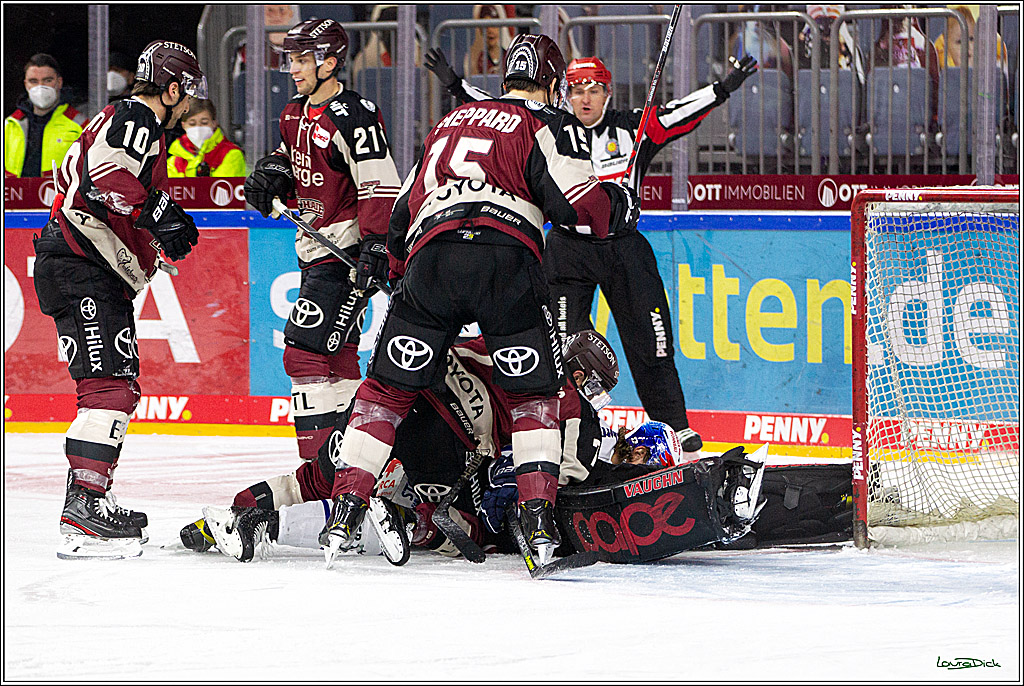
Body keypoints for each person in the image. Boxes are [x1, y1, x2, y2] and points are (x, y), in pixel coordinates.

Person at [320, 33, 640, 566]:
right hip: (504, 261)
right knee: (533, 397)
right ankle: (537, 521)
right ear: (555, 84)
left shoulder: (450, 121)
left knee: (385, 392)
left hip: (432, 259)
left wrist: (399, 274)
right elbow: (578, 206)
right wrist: (619, 205)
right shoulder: (546, 125)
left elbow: (402, 212)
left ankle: (347, 509)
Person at [424, 48, 757, 458]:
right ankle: (570, 422)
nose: (585, 98)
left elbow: (677, 113)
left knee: (652, 343)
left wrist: (723, 89)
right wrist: (457, 86)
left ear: (608, 94)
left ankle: (674, 426)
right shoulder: (550, 128)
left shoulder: (633, 127)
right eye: (577, 89)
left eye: (594, 90)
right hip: (568, 248)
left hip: (623, 248)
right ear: (564, 92)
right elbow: (499, 111)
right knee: (563, 343)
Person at [188, 329, 625, 562]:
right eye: (598, 387)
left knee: (319, 477)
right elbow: (565, 478)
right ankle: (405, 517)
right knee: (454, 525)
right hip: (449, 438)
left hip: (391, 398)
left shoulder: (513, 334)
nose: (596, 397)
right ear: (583, 375)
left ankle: (237, 512)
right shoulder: (574, 406)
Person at [33, 41, 205, 559]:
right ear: (171, 89)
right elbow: (105, 177)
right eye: (187, 93)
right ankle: (84, 505)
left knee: (117, 387)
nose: (189, 107)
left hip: (84, 266)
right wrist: (160, 213)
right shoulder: (137, 117)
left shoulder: (120, 118)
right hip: (81, 266)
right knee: (108, 387)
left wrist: (155, 230)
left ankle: (89, 499)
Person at [243, 19, 402, 479]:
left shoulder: (356, 115)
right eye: (289, 59)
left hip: (347, 252)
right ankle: (356, 459)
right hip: (312, 248)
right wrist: (272, 172)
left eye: (300, 59)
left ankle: (319, 469)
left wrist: (376, 246)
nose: (292, 68)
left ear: (329, 62)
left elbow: (378, 183)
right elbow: (294, 159)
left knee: (304, 349)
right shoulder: (293, 112)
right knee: (337, 354)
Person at [4, 53, 86, 178]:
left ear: (59, 82)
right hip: (17, 195)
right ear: (26, 84)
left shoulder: (79, 124)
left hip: (59, 195)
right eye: (33, 81)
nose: (40, 87)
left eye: (47, 80)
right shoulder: (11, 125)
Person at [166, 99, 246, 177]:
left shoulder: (231, 154)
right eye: (192, 124)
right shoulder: (174, 160)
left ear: (214, 123)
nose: (198, 128)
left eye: (204, 123)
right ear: (183, 125)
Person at [464, 5, 512, 76]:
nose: (490, 31)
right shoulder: (477, 60)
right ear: (480, 30)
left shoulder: (509, 57)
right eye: (486, 27)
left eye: (494, 25)